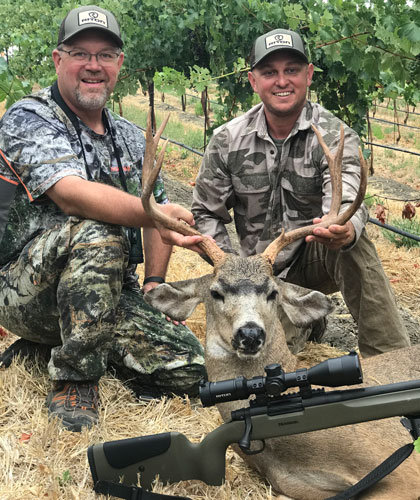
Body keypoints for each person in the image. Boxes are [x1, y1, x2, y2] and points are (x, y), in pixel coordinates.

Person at [0, 5, 206, 432]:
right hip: (24, 289)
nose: (93, 65)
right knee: (98, 231)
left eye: (105, 55)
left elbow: (156, 220)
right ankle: (75, 378)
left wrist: (154, 284)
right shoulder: (29, 117)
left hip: (105, 293)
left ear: (119, 65)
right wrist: (158, 214)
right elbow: (72, 195)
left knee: (189, 369)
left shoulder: (131, 138)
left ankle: (49, 345)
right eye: (80, 53)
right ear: (59, 60)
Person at [192, 28, 411, 358]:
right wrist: (232, 270)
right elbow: (206, 211)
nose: (282, 81)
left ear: (308, 74)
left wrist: (343, 228)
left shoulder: (335, 135)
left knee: (353, 244)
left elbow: (348, 195)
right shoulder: (227, 140)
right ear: (253, 81)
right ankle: (307, 320)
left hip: (315, 256)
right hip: (260, 279)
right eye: (270, 72)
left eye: (291, 70)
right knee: (267, 360)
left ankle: (393, 363)